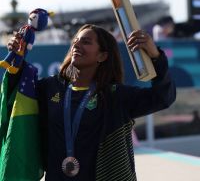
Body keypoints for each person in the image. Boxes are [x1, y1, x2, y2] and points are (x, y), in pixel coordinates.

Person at [5, 24, 176, 181]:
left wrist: (156, 56)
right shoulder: (50, 88)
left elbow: (163, 97)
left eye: (86, 42)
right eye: (75, 41)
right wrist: (16, 61)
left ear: (102, 56)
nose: (76, 45)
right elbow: (16, 100)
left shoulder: (115, 95)